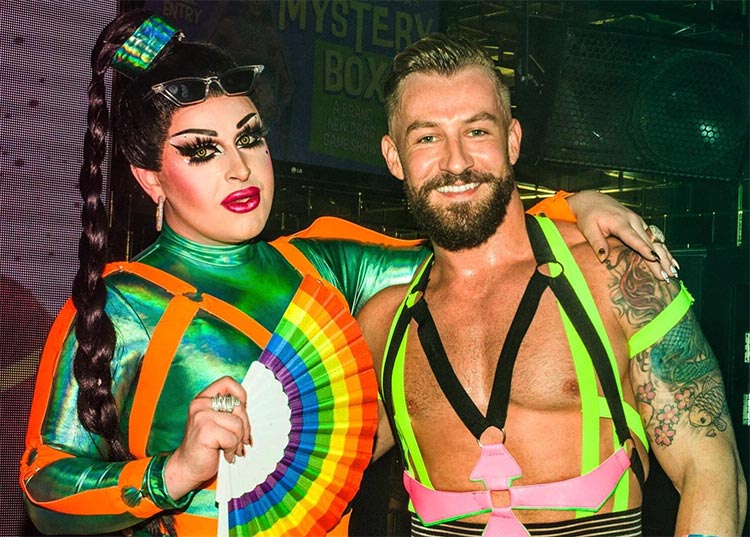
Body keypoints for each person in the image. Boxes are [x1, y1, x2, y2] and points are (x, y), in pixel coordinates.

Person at [19, 11, 680, 537]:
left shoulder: (327, 262)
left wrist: (568, 205)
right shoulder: (117, 305)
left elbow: (472, 250)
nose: (240, 168)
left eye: (249, 136)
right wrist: (171, 472)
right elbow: (45, 491)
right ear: (148, 178)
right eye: (201, 150)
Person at [357, 33, 747, 537]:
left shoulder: (615, 275)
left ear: (512, 141)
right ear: (394, 157)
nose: (455, 162)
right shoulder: (385, 321)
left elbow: (711, 471)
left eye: (477, 132)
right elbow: (308, 472)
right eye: (427, 137)